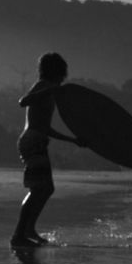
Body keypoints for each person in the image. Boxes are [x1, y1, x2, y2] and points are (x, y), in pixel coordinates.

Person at [11, 52, 84, 248]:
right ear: (57, 71)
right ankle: (19, 235)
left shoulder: (49, 90)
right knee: (38, 189)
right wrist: (50, 90)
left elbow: (46, 127)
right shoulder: (43, 86)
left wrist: (72, 140)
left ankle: (28, 230)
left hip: (38, 141)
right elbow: (23, 101)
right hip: (32, 142)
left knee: (46, 189)